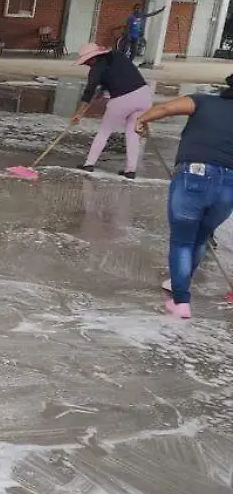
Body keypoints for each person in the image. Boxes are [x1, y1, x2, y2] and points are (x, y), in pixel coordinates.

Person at [134, 76, 233, 319]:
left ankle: (181, 302)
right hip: (229, 185)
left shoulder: (202, 101)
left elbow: (166, 108)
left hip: (193, 176)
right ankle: (179, 284)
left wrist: (142, 119)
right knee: (199, 239)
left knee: (182, 241)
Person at [71, 42, 152, 179]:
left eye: (87, 62)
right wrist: (102, 90)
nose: (87, 65)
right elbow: (118, 74)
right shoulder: (118, 55)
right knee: (133, 133)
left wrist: (78, 113)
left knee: (104, 131)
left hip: (122, 99)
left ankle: (89, 164)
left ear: (92, 58)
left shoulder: (96, 69)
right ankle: (130, 170)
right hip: (144, 95)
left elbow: (89, 91)